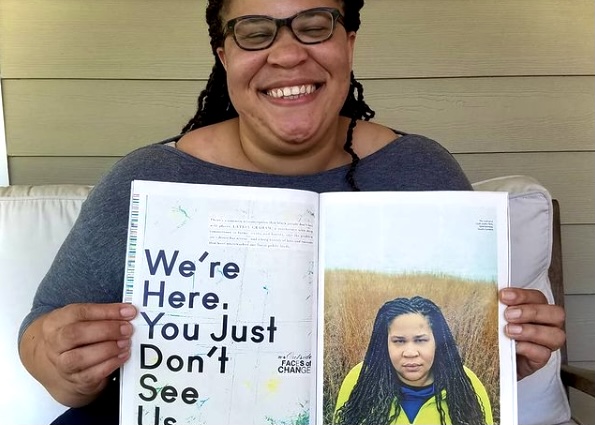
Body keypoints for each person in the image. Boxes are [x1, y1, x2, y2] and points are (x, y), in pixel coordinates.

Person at [17, 0, 566, 424]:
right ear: (223, 55)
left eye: (315, 24)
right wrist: (61, 361)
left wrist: (505, 350)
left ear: (349, 42)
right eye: (255, 31)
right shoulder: (147, 179)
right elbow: (43, 334)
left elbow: (461, 372)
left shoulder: (420, 168)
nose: (286, 54)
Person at [334, 296, 493, 425]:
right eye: (399, 341)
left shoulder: (466, 383)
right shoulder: (360, 379)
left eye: (420, 340)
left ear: (437, 341)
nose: (410, 353)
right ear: (385, 343)